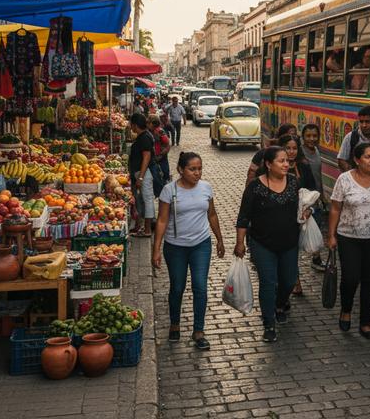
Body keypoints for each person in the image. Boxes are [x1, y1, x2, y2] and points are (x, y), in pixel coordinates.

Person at [235, 146, 310, 343]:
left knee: (288, 280)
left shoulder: (294, 182)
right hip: (262, 243)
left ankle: (280, 304)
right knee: (268, 282)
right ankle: (269, 323)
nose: (286, 164)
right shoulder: (255, 187)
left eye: (287, 161)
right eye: (281, 161)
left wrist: (306, 212)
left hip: (289, 243)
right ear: (268, 164)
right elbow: (244, 217)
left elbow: (303, 206)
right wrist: (240, 242)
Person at [152, 152, 224, 350]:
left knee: (200, 286)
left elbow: (212, 214)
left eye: (200, 168)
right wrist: (156, 249)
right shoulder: (169, 190)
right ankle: (175, 324)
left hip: (201, 244)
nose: (197, 173)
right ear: (181, 170)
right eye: (192, 169)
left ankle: (198, 331)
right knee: (177, 286)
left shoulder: (206, 188)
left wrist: (219, 239)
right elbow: (162, 220)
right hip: (175, 247)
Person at [327, 142, 370, 340]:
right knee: (350, 278)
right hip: (348, 236)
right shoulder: (344, 179)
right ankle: (346, 310)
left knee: (369, 281)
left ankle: (365, 323)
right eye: (368, 157)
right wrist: (331, 235)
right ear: (357, 160)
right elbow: (335, 208)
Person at [278, 133, 318, 297]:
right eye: (288, 148)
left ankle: (295, 280)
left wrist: (310, 209)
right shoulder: (273, 166)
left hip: (299, 216)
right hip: (279, 218)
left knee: (293, 251)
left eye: (295, 148)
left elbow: (313, 189)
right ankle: (290, 281)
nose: (291, 152)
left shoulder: (304, 166)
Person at [301, 124, 326, 272]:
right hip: (304, 199)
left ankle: (316, 259)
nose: (312, 139)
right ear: (303, 137)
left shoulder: (317, 151)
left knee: (315, 228)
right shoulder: (299, 153)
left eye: (314, 136)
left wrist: (322, 196)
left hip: (315, 198)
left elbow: (318, 176)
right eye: (308, 136)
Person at [129, 113, 155, 237]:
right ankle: (141, 227)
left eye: (131, 125)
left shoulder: (144, 137)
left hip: (144, 174)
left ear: (135, 125)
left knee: (147, 199)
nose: (130, 127)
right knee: (142, 200)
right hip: (141, 173)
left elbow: (146, 157)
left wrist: (140, 177)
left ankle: (148, 230)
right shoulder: (144, 135)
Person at [337, 106, 370, 172]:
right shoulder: (351, 137)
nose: (364, 125)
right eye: (361, 122)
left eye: (368, 122)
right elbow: (341, 160)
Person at [148, 115, 171, 182]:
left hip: (161, 156)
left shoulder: (160, 131)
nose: (148, 124)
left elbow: (167, 144)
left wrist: (161, 154)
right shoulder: (149, 131)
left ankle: (166, 181)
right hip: (154, 157)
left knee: (164, 171)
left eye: (149, 123)